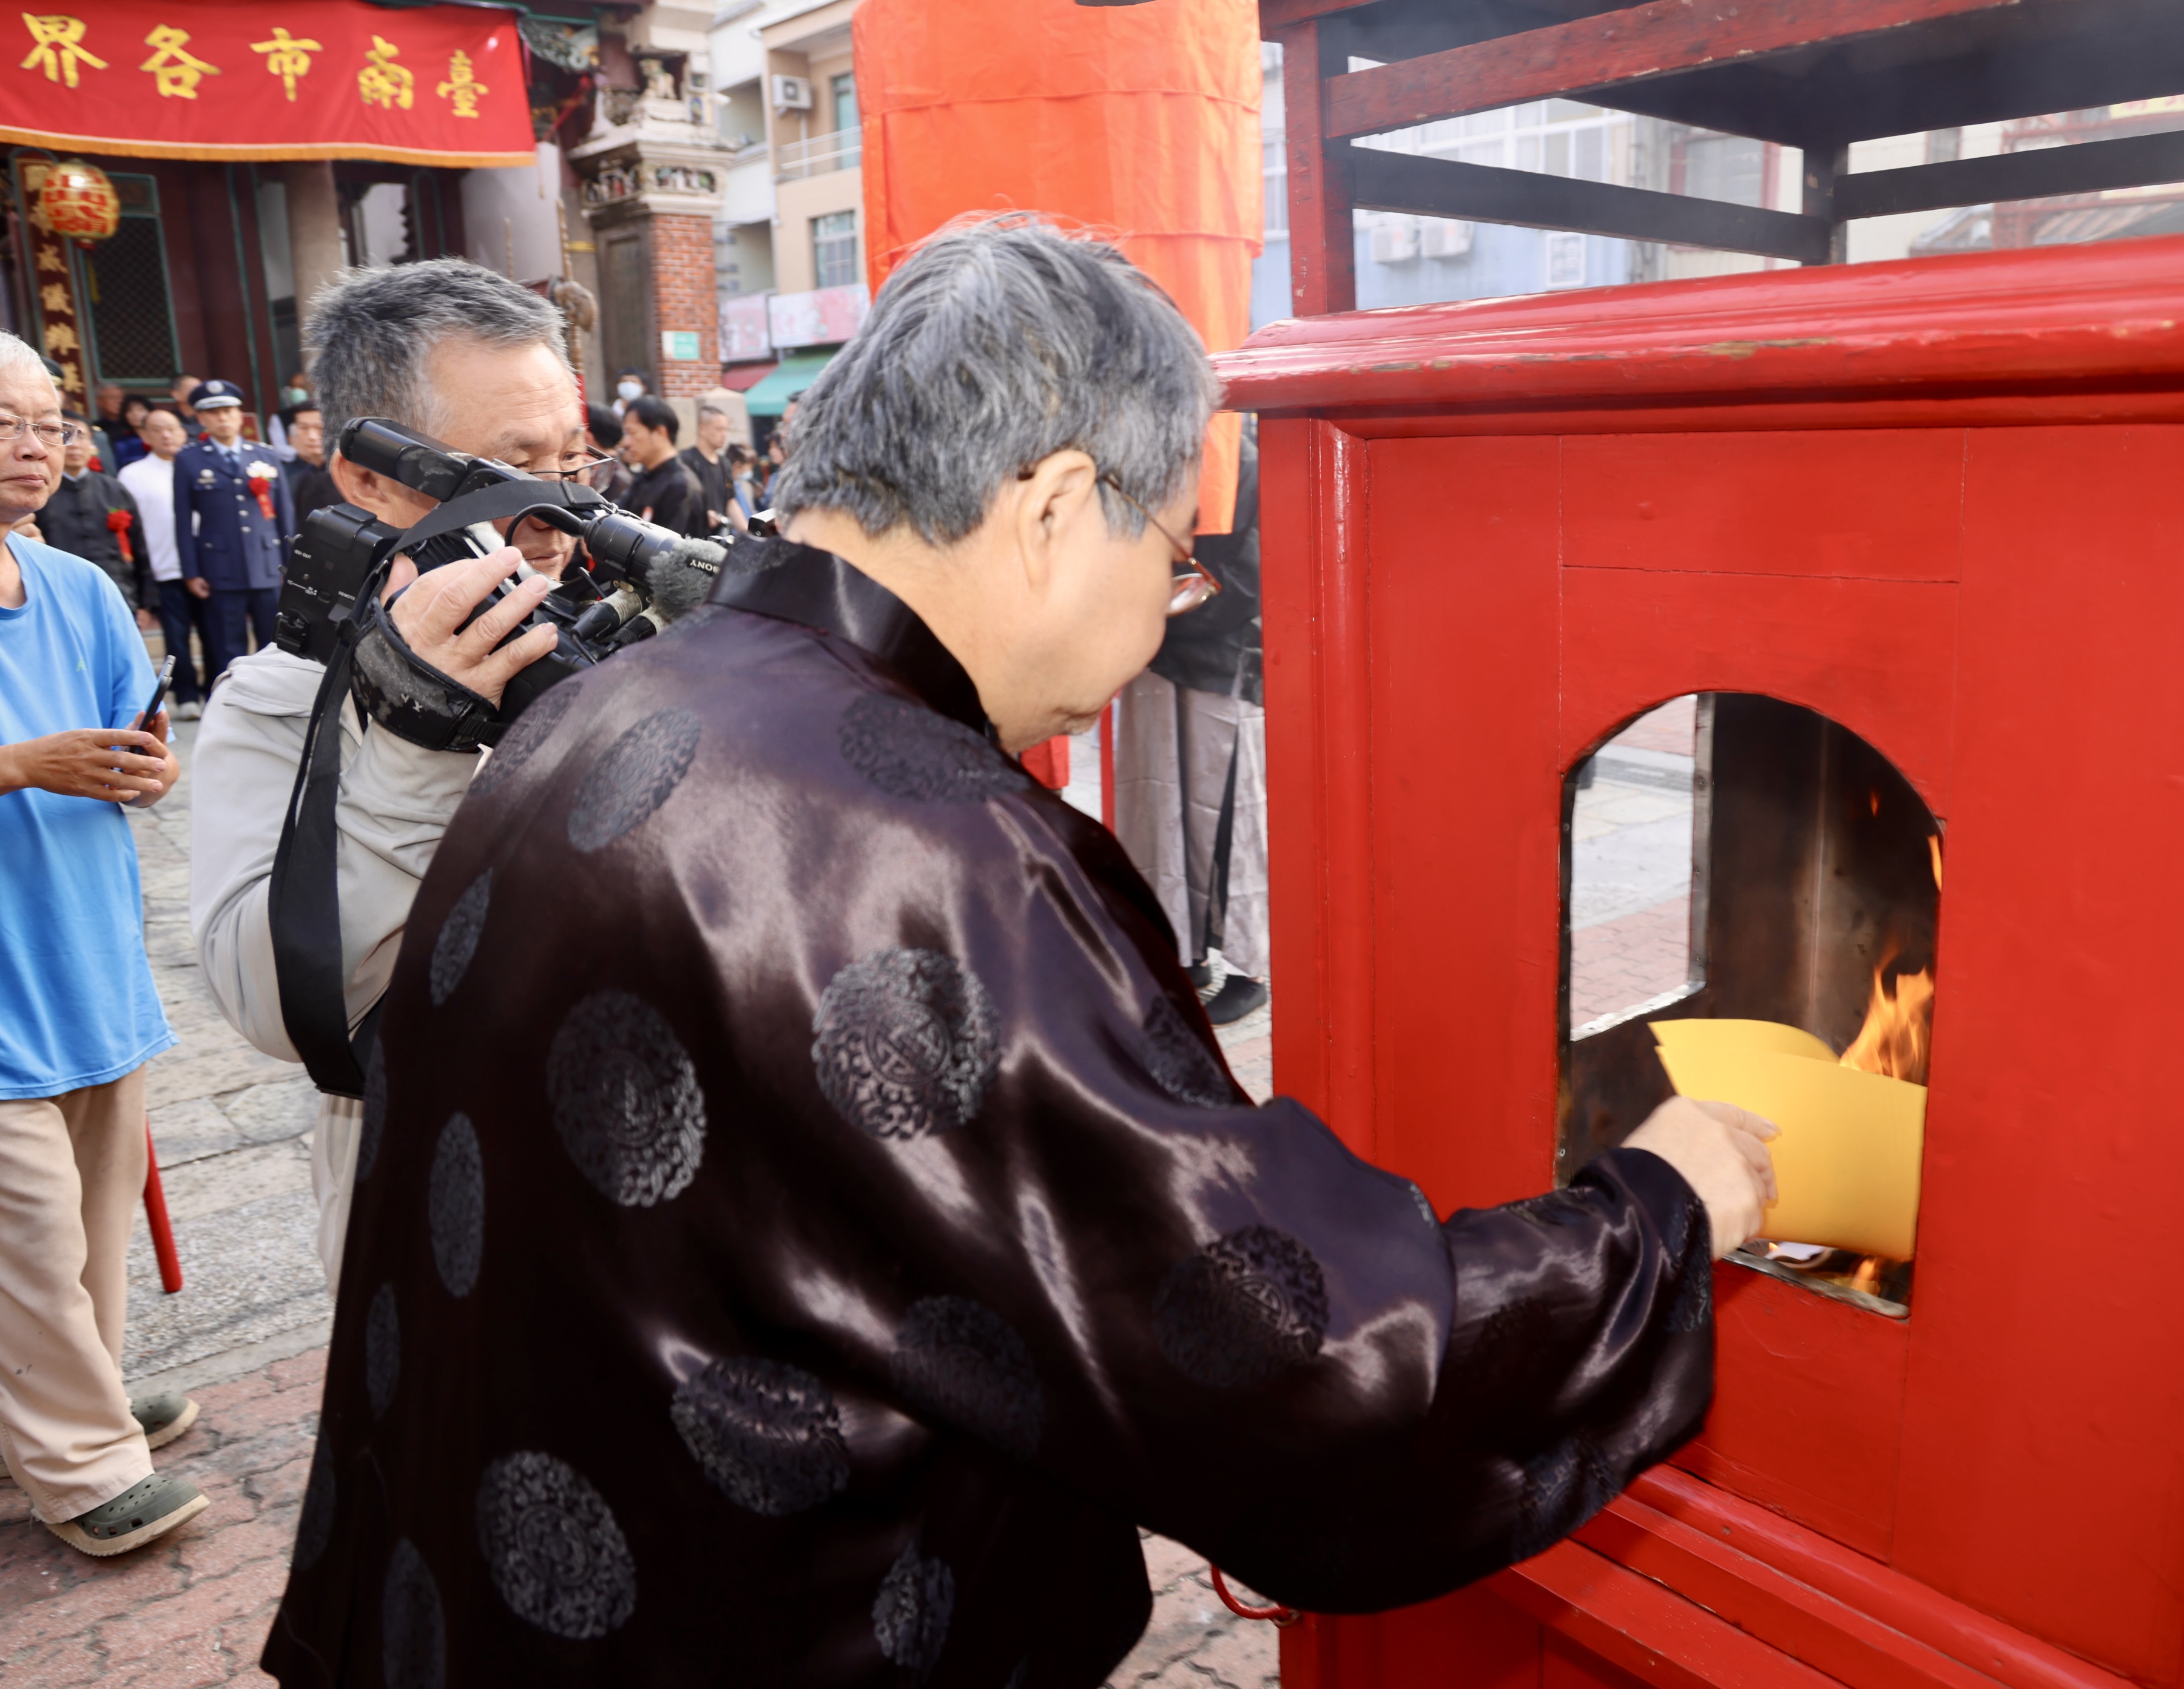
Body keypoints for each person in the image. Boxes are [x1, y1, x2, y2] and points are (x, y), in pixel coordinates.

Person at [259, 217, 1778, 1685]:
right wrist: (1654, 1211)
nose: (1162, 613)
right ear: (1054, 505)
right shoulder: (920, 842)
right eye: (1176, 559)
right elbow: (1272, 1347)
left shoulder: (615, 701)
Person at [190, 258, 592, 1290]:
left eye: (573, 463)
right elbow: (274, 1004)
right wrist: (414, 744)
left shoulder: (610, 635)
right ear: (370, 476)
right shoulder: (279, 700)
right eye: (513, 469)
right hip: (439, 1185)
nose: (559, 513)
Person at [0, 328, 207, 1559]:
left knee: (84, 1224)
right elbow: (41, 754)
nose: (32, 447)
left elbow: (131, 734)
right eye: (3, 423)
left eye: (45, 421)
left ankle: (63, 1403)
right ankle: (79, 1466)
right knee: (23, 1233)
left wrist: (144, 768)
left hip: (85, 957)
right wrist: (22, 765)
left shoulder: (73, 585)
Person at [1114, 414, 1269, 1025]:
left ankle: (1249, 965)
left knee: (1225, 818)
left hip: (1219, 659)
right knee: (1159, 816)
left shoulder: (1246, 458)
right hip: (1155, 650)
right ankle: (1183, 949)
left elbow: (1247, 578)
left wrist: (1157, 602)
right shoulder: (1148, 447)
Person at [172, 379, 295, 684]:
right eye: (213, 413)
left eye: (228, 410)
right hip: (220, 567)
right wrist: (191, 572)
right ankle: (232, 706)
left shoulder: (266, 456)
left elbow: (285, 516)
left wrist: (291, 565)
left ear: (241, 415)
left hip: (268, 565)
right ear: (201, 419)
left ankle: (275, 698)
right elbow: (183, 522)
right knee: (227, 645)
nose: (223, 418)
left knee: (276, 642)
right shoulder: (189, 460)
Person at [120, 408, 204, 719]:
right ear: (144, 436)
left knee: (214, 633)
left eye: (172, 428)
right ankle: (186, 695)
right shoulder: (133, 475)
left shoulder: (201, 467)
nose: (167, 435)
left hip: (207, 566)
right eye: (157, 429)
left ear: (184, 431)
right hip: (164, 566)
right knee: (177, 638)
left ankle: (215, 689)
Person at [35, 417, 141, 612]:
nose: (75, 444)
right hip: (58, 597)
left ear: (92, 444)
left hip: (117, 593)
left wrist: (146, 602)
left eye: (81, 436)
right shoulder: (39, 491)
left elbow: (138, 544)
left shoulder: (114, 489)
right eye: (65, 436)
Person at [618, 393, 709, 537]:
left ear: (660, 432)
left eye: (632, 433)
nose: (626, 443)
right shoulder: (643, 478)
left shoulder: (681, 487)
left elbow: (668, 552)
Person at [676, 402, 741, 533]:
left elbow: (730, 502)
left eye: (726, 429)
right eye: (719, 429)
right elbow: (679, 502)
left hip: (720, 537)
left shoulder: (724, 463)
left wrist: (749, 534)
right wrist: (702, 514)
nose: (724, 434)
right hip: (694, 538)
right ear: (702, 429)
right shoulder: (686, 460)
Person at [283, 406, 329, 534]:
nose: (312, 437)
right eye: (304, 428)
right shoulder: (295, 476)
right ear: (291, 437)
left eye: (320, 428)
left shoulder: (349, 473)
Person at [109, 393, 152, 468]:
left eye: (140, 410)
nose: (135, 414)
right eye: (130, 411)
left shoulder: (160, 437)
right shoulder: (122, 444)